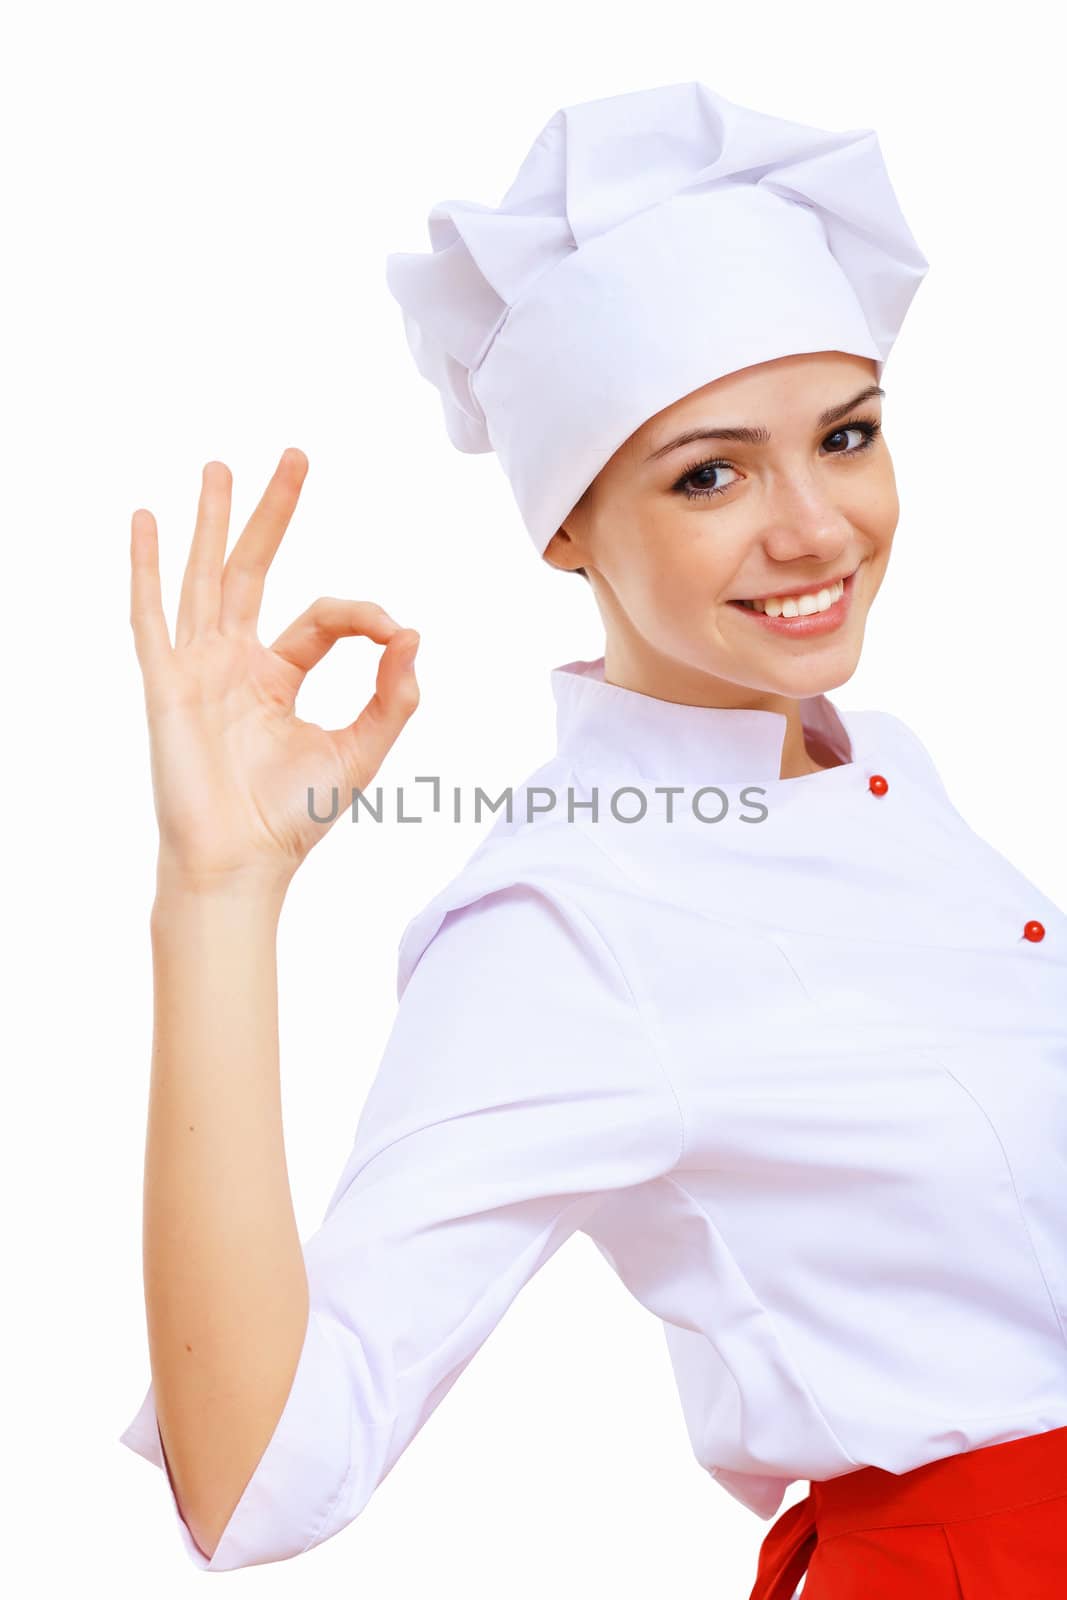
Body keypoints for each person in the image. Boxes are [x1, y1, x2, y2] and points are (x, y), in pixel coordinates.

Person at [119, 82, 1067, 1594]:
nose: (816, 526)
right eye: (710, 472)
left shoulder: (879, 767)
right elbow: (257, 1482)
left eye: (847, 435)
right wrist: (217, 897)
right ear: (565, 524)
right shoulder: (575, 917)